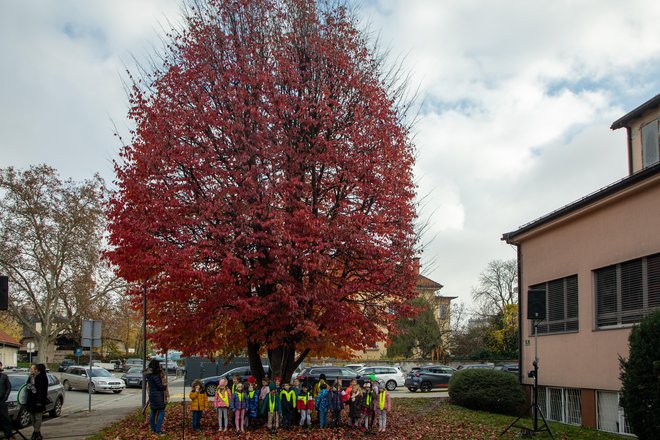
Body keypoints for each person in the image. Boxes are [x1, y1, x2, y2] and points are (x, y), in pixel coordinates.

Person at [26, 364, 48, 440]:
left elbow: (41, 391)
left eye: (32, 369)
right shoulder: (31, 377)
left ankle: (35, 434)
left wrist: (39, 401)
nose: (30, 370)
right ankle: (38, 434)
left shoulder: (41, 377)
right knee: (32, 418)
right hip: (30, 401)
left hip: (38, 401)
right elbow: (27, 386)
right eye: (30, 369)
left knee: (38, 418)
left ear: (36, 370)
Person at [146, 359, 168, 435]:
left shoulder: (149, 374)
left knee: (153, 411)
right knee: (161, 411)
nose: (159, 366)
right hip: (158, 395)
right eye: (158, 364)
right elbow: (159, 386)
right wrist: (164, 387)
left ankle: (153, 429)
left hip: (152, 395)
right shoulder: (155, 375)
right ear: (156, 365)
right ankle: (158, 430)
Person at [0, 362, 14, 440]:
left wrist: (5, 396)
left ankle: (8, 434)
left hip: (1, 401)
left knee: (5, 418)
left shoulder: (4, 376)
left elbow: (9, 387)